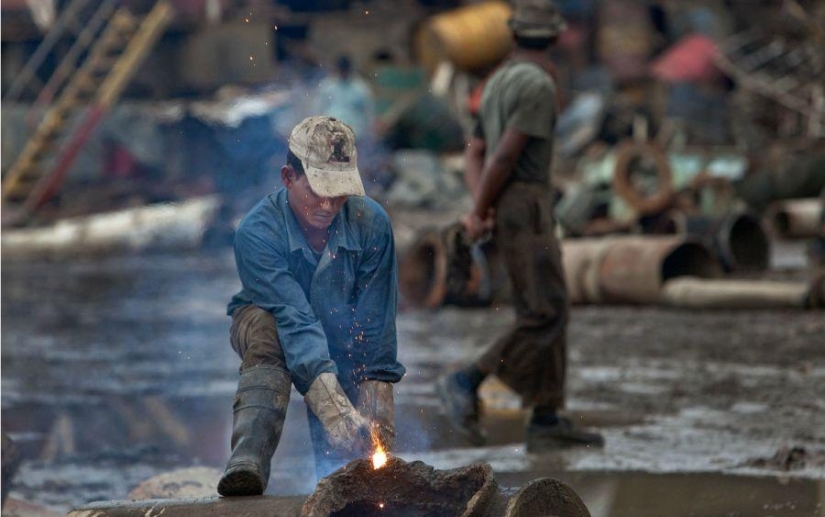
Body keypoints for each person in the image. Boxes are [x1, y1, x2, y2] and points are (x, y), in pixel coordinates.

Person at [436, 0, 604, 452]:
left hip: (507, 201)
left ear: (514, 36)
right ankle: (467, 381)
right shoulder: (538, 83)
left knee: (550, 306)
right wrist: (484, 207)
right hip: (525, 201)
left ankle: (546, 415)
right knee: (543, 314)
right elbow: (505, 155)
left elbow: (475, 151)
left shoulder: (494, 84)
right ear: (554, 38)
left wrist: (480, 205)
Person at [217, 116, 405, 496]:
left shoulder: (372, 225)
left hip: (339, 329)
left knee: (353, 468)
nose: (328, 205)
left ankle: (341, 479)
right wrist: (336, 415)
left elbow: (376, 323)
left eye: (339, 193)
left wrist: (377, 423)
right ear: (288, 177)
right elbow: (295, 319)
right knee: (270, 333)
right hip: (269, 320)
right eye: (318, 191)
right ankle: (247, 464)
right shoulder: (256, 233)